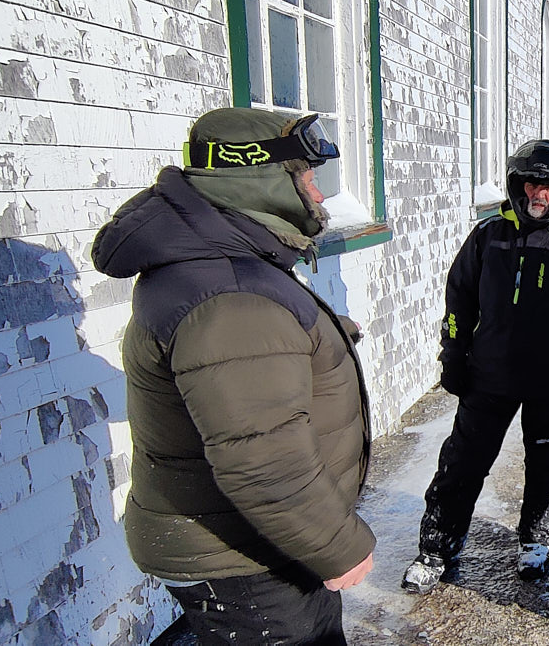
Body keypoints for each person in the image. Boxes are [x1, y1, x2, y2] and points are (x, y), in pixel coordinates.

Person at [92, 107, 375, 645]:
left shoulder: (215, 266)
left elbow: (241, 359)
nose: (318, 194)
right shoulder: (231, 295)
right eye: (306, 178)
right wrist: (338, 546)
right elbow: (263, 458)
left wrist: (321, 335)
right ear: (257, 179)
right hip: (246, 559)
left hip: (251, 539)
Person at [403, 139, 549, 593]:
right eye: (532, 184)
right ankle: (437, 547)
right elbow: (459, 300)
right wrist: (453, 355)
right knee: (462, 462)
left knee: (546, 464)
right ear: (517, 185)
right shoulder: (487, 237)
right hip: (489, 376)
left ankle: (535, 540)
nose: (540, 194)